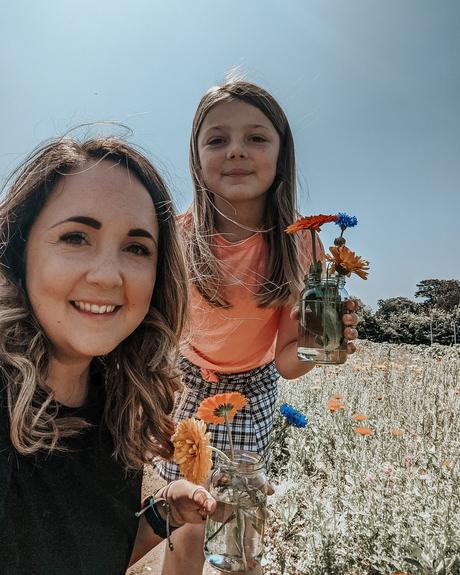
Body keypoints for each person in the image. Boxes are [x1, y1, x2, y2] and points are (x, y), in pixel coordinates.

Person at [157, 79, 359, 574]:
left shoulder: (301, 247)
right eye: (217, 139)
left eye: (256, 138)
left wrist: (316, 346)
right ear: (196, 155)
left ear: (281, 154)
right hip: (184, 384)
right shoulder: (176, 237)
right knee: (188, 525)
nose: (236, 152)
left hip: (255, 383)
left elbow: (289, 362)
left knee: (239, 531)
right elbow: (155, 333)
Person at [0, 136, 216, 575]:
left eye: (137, 248)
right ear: (19, 252)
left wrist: (162, 516)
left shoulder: (115, 404)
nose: (106, 275)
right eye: (76, 237)